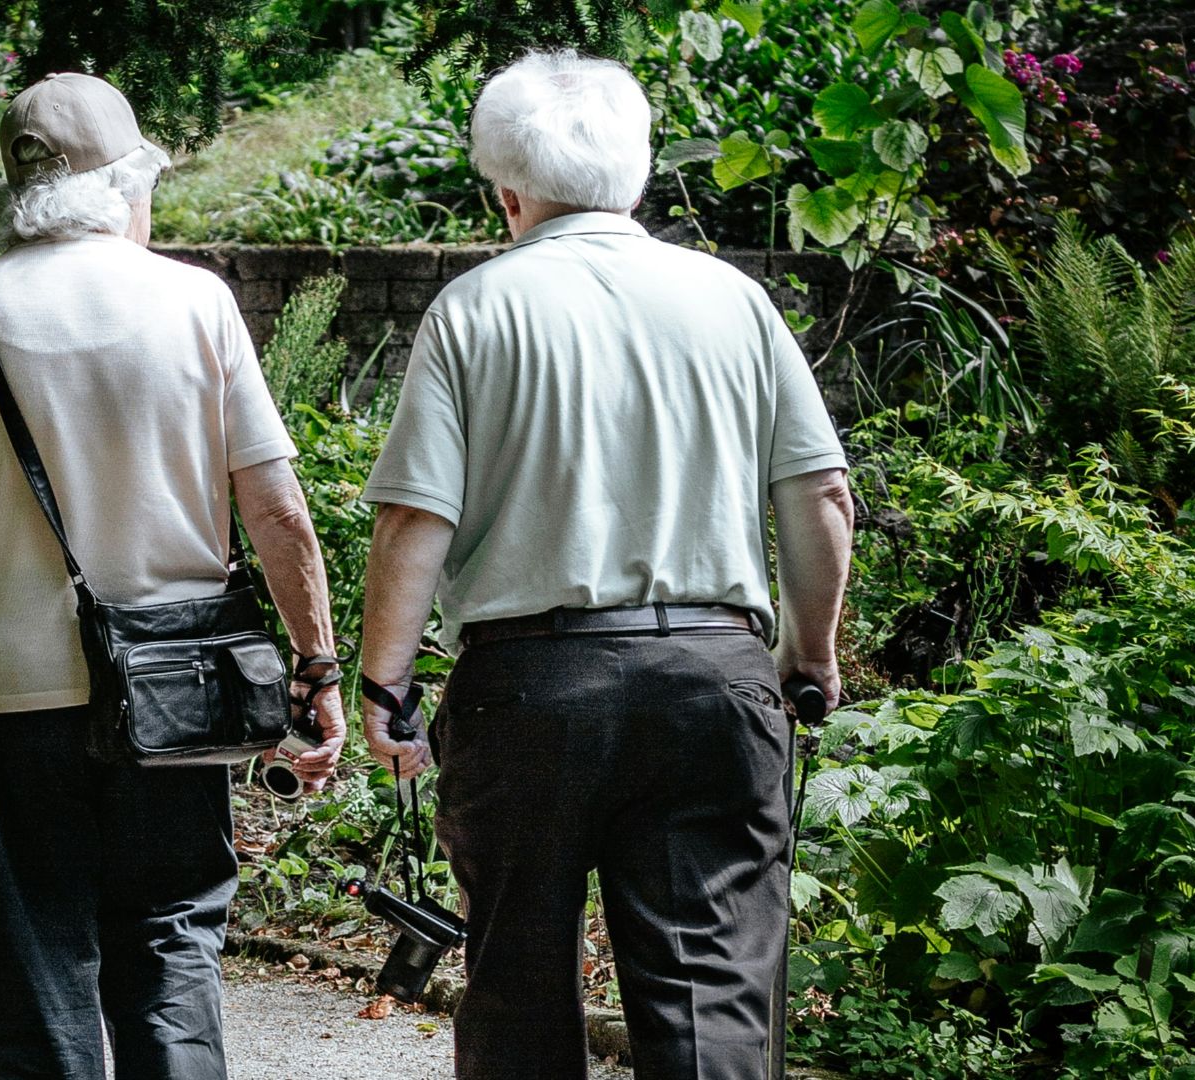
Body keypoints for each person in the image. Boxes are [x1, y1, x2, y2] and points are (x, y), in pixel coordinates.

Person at [356, 50, 855, 1080]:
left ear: (508, 192)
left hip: (528, 689)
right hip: (713, 679)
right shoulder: (735, 301)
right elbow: (820, 496)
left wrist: (383, 682)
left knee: (516, 980)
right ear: (635, 175)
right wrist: (809, 655)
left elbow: (415, 519)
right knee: (712, 990)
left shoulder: (476, 310)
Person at [0, 72, 345, 1080]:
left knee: (32, 958)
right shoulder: (197, 301)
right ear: (126, 181)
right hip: (177, 685)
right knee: (171, 938)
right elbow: (278, 511)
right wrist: (317, 664)